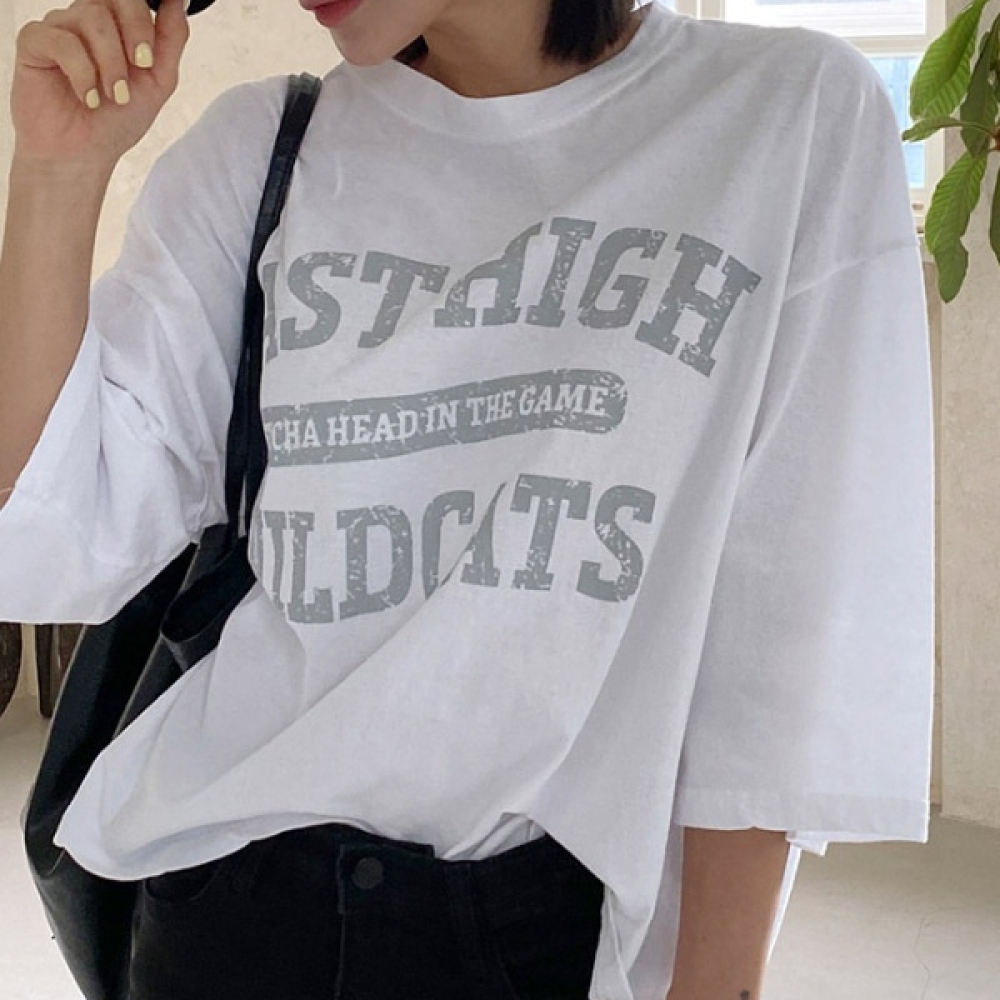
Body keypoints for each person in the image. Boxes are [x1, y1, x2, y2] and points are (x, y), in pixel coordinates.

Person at [0, 0, 935, 998]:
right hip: (231, 904)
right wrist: (59, 174)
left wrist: (719, 980)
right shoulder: (266, 148)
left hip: (547, 929)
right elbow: (43, 545)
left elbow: (787, 614)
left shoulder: (787, 112)